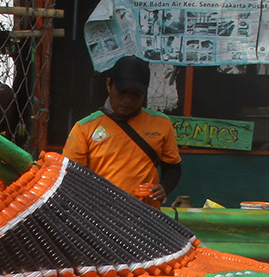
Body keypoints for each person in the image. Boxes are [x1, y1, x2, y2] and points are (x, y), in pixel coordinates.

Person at [62, 56, 182, 207]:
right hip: (101, 214)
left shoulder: (161, 124)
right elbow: (71, 176)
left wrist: (164, 188)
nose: (127, 100)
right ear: (109, 84)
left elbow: (172, 167)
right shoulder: (84, 128)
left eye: (136, 95)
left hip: (146, 216)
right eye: (122, 92)